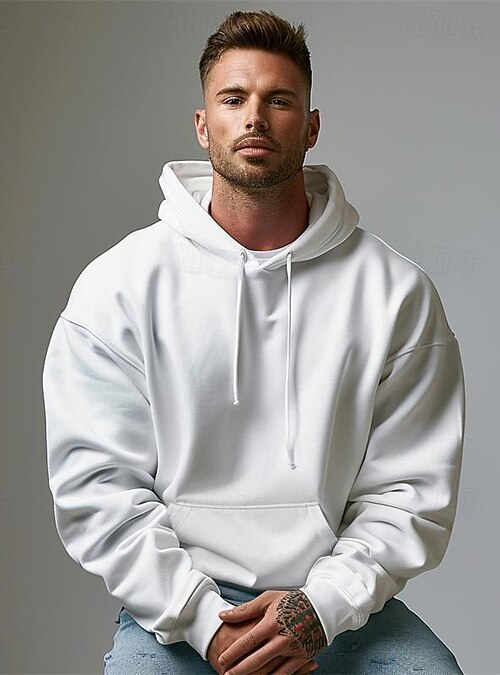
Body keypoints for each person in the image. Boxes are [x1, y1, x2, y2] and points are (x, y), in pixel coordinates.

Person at [43, 10, 465, 675]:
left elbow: (410, 491)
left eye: (280, 100)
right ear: (203, 124)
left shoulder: (395, 293)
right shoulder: (118, 287)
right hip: (178, 614)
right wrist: (203, 620)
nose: (256, 118)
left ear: (312, 126)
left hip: (341, 608)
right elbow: (97, 488)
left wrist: (320, 608)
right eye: (234, 98)